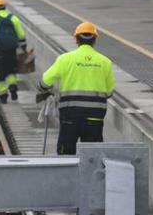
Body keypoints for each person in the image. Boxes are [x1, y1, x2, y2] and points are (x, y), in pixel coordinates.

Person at [36, 22, 115, 156]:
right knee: (92, 157)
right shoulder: (105, 62)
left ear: (76, 39)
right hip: (95, 117)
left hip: (70, 115)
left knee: (66, 154)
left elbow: (45, 82)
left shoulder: (65, 59)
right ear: (95, 39)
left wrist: (43, 89)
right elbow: (108, 92)